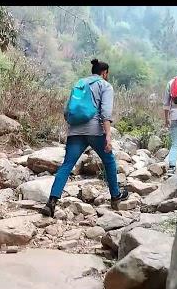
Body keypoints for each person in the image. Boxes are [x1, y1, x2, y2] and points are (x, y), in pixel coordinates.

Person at [42, 59, 128, 218]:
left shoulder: (79, 84)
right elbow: (106, 113)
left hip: (75, 131)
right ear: (104, 73)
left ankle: (51, 202)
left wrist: (74, 126)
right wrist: (108, 136)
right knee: (109, 161)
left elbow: (67, 110)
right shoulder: (105, 85)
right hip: (95, 131)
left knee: (67, 165)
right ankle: (115, 196)